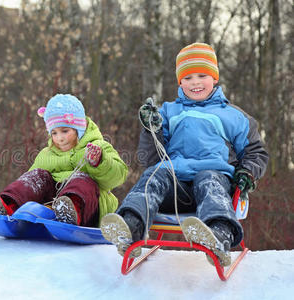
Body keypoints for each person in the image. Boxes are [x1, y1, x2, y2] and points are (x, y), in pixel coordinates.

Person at [100, 42, 269, 266]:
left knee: (207, 177)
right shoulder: (169, 111)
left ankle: (219, 234)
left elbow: (255, 152)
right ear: (180, 81)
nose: (195, 82)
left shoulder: (233, 116)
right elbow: (152, 159)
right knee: (154, 174)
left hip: (213, 184)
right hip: (175, 188)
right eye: (188, 77)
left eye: (202, 75)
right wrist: (152, 129)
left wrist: (248, 172)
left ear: (215, 78)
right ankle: (131, 226)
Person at [0, 94, 128, 227]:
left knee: (82, 179)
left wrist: (99, 161)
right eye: (54, 133)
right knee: (37, 176)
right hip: (51, 204)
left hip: (88, 209)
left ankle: (70, 211)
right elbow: (28, 185)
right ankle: (8, 206)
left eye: (65, 131)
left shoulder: (98, 147)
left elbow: (119, 176)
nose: (60, 138)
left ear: (79, 129)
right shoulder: (46, 154)